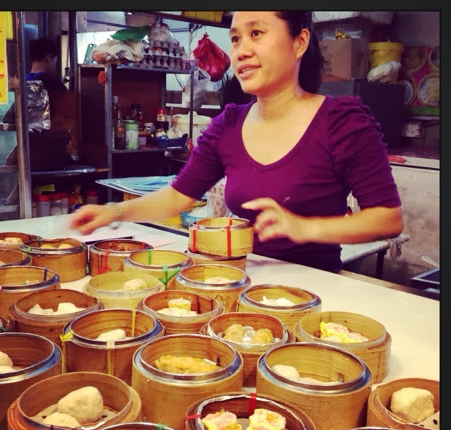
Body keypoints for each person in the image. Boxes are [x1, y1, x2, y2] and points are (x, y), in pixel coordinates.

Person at [69, 11, 403, 273]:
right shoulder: (228, 125)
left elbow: (387, 219)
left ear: (299, 42)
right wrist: (114, 211)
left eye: (256, 33)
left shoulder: (342, 121)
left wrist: (303, 227)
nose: (242, 51)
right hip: (245, 283)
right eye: (235, 38)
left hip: (314, 293)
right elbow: (178, 196)